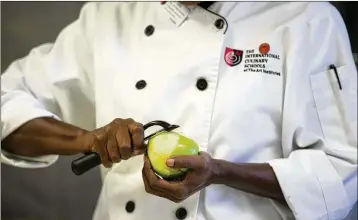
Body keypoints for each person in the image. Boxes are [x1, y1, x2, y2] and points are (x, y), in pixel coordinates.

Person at [1, 1, 357, 220]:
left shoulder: (307, 19)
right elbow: (7, 102)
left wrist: (219, 171)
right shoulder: (110, 16)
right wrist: (89, 140)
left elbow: (342, 171)